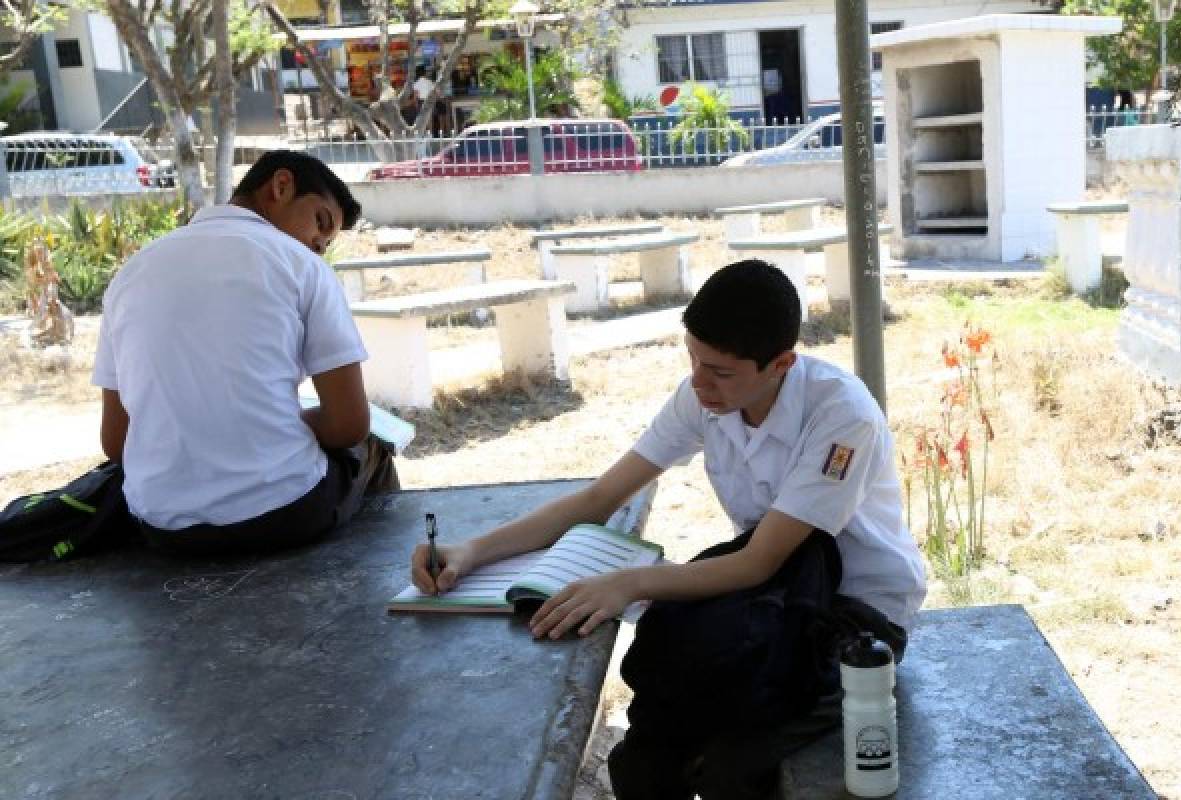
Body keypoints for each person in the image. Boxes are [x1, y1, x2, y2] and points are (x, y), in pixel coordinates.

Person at [410, 259, 927, 798]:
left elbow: (758, 560)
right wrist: (472, 551)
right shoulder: (706, 396)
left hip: (855, 616)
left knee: (731, 769)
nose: (700, 383)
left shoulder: (843, 417)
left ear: (781, 364)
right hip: (769, 603)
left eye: (721, 371)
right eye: (693, 360)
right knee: (643, 761)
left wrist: (629, 584)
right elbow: (600, 497)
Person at [92, 150, 398, 557]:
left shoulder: (130, 274)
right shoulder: (301, 266)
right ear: (281, 186)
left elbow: (116, 442)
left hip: (162, 527)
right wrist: (295, 422)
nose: (317, 246)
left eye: (325, 245)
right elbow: (349, 425)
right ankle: (394, 575)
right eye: (320, 223)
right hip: (285, 514)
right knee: (373, 447)